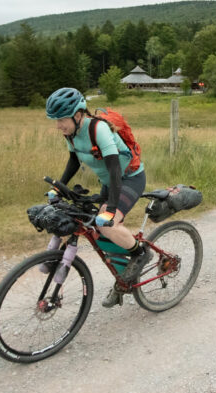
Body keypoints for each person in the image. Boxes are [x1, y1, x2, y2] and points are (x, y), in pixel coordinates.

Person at [46, 87, 149, 308]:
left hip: (128, 178)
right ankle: (123, 279)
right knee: (95, 229)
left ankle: (140, 254)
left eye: (61, 119)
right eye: (55, 120)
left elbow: (114, 169)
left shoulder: (98, 129)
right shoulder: (71, 134)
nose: (58, 125)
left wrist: (110, 209)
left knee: (108, 225)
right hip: (109, 182)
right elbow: (73, 161)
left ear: (77, 114)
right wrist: (59, 187)